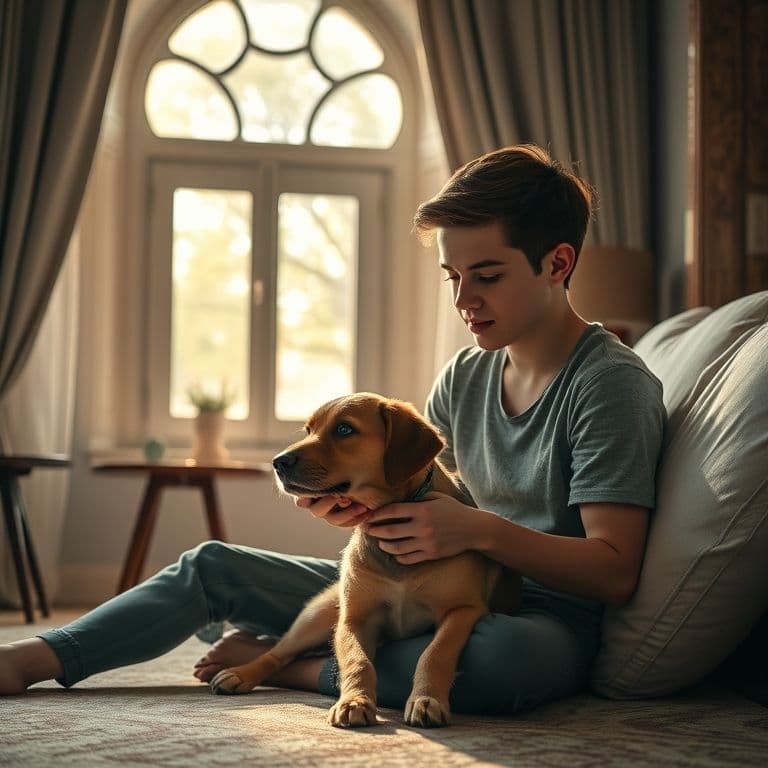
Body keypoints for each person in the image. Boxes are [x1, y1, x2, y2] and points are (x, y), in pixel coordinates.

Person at [0, 144, 665, 716]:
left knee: (497, 661)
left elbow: (614, 572)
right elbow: (424, 494)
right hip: (426, 588)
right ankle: (35, 656)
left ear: (556, 263)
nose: (465, 300)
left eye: (486, 276)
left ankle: (287, 664)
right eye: (454, 277)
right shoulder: (466, 374)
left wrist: (478, 530)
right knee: (212, 566)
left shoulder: (608, 384)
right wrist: (363, 505)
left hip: (536, 621)